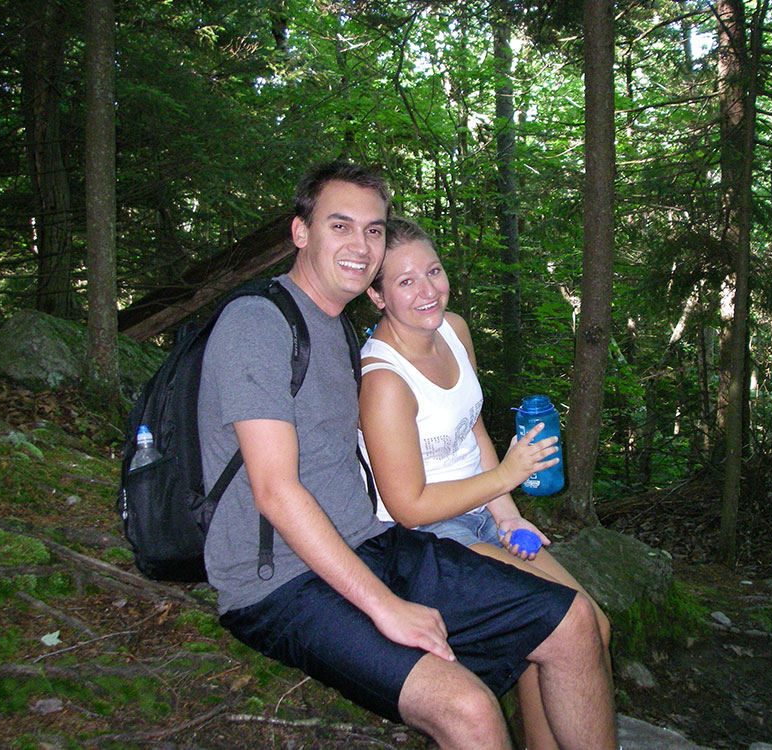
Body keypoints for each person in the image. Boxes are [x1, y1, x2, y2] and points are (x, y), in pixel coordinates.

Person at [197, 162, 618, 750]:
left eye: (373, 230)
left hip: (371, 543)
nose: (361, 244)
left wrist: (505, 512)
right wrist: (387, 607)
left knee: (575, 623)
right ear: (300, 232)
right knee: (471, 709)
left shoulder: (338, 330)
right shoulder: (256, 323)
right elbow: (275, 491)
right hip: (280, 581)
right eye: (340, 225)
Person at [358, 216, 613, 750]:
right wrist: (507, 477)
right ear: (378, 297)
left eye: (434, 270)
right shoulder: (384, 382)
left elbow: (471, 424)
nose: (428, 289)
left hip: (480, 509)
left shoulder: (452, 329)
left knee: (596, 628)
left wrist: (507, 513)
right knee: (568, 626)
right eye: (405, 282)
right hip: (427, 538)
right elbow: (408, 506)